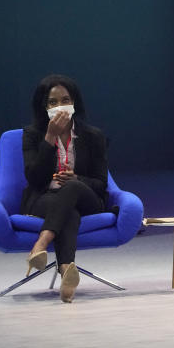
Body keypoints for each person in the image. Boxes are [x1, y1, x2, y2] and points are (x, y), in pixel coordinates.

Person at [22, 74, 110, 303]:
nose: (60, 106)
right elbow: (34, 179)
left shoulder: (93, 136)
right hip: (46, 198)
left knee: (72, 188)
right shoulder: (33, 135)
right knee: (68, 213)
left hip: (87, 198)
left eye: (65, 99)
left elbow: (101, 184)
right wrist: (49, 138)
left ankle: (41, 244)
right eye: (53, 102)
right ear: (44, 106)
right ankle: (66, 271)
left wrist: (78, 178)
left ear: (75, 102)